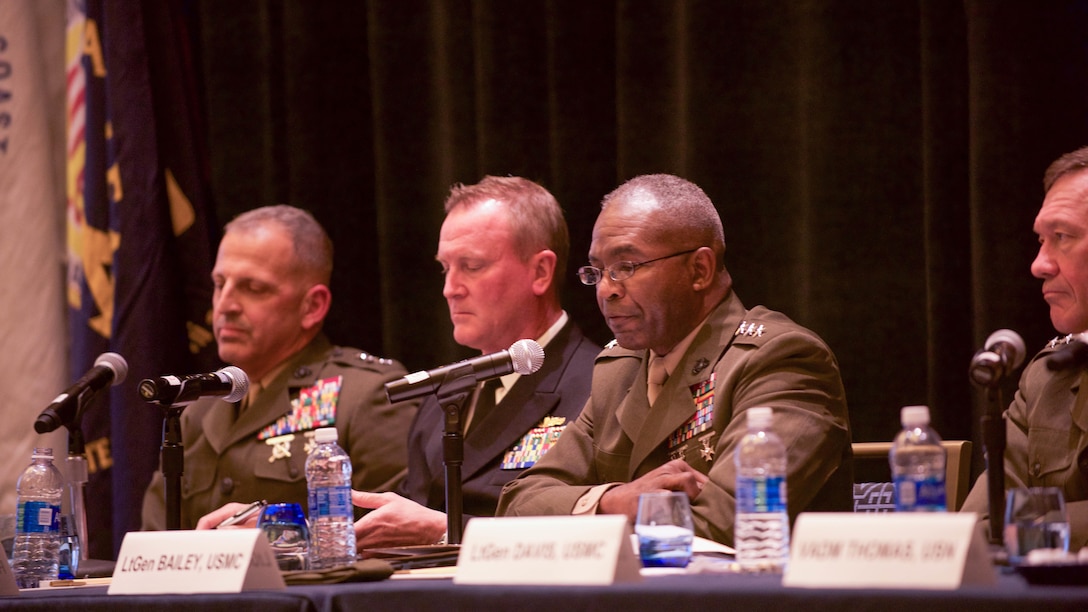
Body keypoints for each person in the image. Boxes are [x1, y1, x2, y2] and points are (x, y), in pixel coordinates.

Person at [497, 174, 853, 546]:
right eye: (598, 271)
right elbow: (519, 502)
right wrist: (611, 502)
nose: (606, 289)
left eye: (627, 266)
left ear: (699, 270)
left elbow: (730, 524)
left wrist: (605, 514)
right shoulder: (619, 370)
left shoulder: (781, 360)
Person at [348, 176, 601, 549]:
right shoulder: (447, 394)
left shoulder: (598, 382)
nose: (451, 288)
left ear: (540, 272)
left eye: (471, 265)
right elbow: (407, 521)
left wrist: (443, 531)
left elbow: (596, 533)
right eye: (445, 268)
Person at [140, 205, 416, 530]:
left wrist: (281, 534)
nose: (225, 305)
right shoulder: (197, 412)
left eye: (253, 288)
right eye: (219, 284)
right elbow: (157, 544)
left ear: (312, 306)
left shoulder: (366, 396)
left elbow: (398, 537)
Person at [961, 146, 1088, 551]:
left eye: (1062, 238)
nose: (1039, 264)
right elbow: (980, 526)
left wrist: (1030, 526)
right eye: (1041, 240)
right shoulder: (1048, 378)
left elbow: (1004, 528)